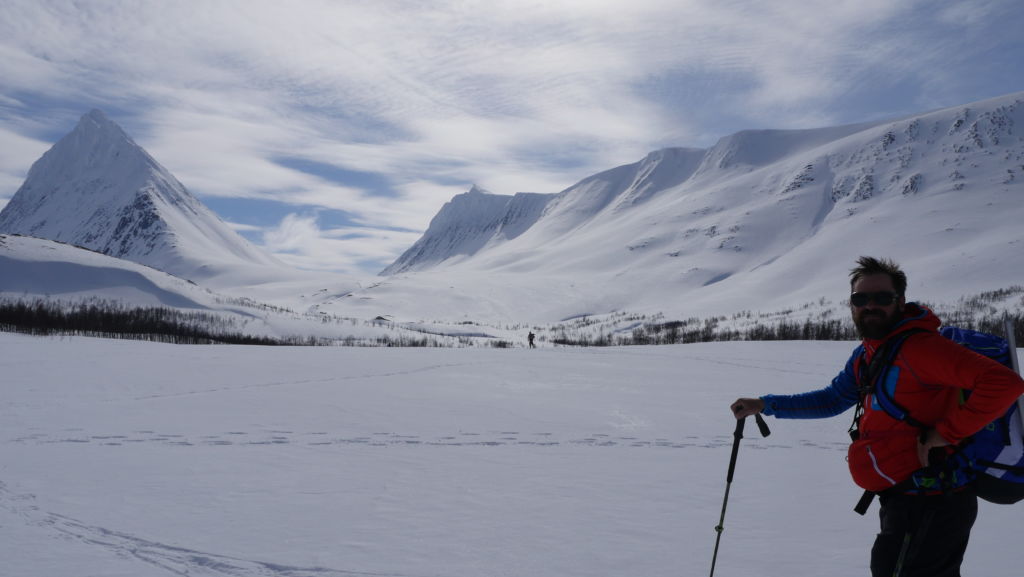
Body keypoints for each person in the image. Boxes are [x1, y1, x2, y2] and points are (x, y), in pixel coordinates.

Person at [731, 256, 1024, 577]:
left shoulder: (922, 349)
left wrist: (948, 432)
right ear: (851, 305)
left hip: (934, 500)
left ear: (900, 302)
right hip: (902, 497)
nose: (870, 306)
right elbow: (833, 399)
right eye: (861, 299)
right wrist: (765, 404)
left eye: (882, 298)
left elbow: (1004, 384)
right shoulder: (870, 353)